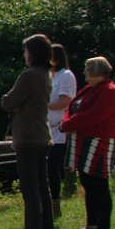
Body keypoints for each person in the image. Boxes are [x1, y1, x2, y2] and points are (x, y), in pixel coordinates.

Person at [61, 56, 115, 229]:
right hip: (83, 140)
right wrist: (67, 122)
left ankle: (104, 228)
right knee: (87, 182)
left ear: (96, 71)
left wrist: (68, 124)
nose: (85, 74)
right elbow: (71, 109)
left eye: (87, 70)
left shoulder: (110, 91)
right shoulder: (90, 89)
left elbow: (94, 115)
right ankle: (91, 224)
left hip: (99, 140)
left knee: (99, 185)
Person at [1, 34, 54, 229]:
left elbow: (8, 102)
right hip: (42, 135)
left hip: (28, 138)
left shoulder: (29, 75)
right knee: (42, 187)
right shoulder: (46, 74)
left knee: (30, 188)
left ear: (32, 52)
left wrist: (6, 99)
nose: (24, 54)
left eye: (26, 50)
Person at [47, 43, 77, 218]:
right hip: (44, 129)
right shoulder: (47, 76)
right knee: (44, 168)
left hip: (58, 130)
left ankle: (55, 202)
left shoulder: (65, 76)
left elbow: (64, 102)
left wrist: (41, 105)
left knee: (52, 168)